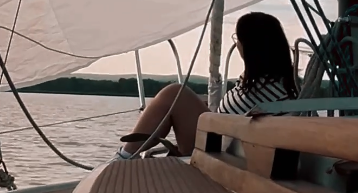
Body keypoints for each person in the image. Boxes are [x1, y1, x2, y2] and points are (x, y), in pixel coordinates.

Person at [118, 12, 298, 158]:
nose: (237, 44)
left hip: (219, 152)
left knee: (175, 93)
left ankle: (124, 156)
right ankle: (127, 154)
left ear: (250, 47)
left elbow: (240, 122)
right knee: (178, 98)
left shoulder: (264, 87)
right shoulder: (277, 82)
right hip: (224, 142)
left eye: (238, 38)